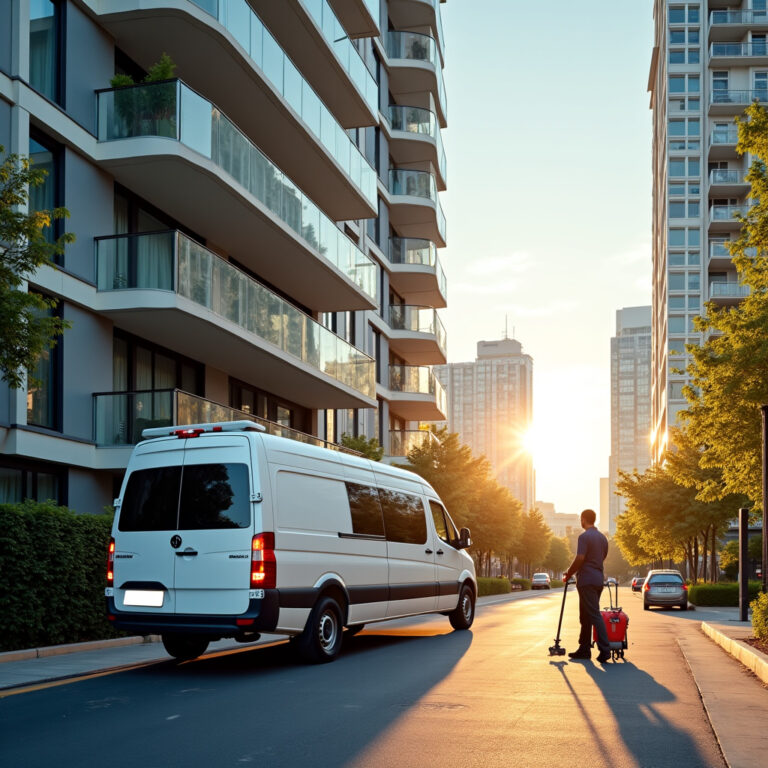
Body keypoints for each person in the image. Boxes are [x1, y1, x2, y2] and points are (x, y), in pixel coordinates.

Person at [562, 508, 611, 663]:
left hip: (586, 581)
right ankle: (584, 649)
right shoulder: (603, 538)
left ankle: (605, 650)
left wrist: (568, 573)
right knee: (585, 615)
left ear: (583, 519)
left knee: (594, 614)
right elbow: (602, 557)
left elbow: (580, 557)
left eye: (580, 520)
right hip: (597, 580)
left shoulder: (584, 537)